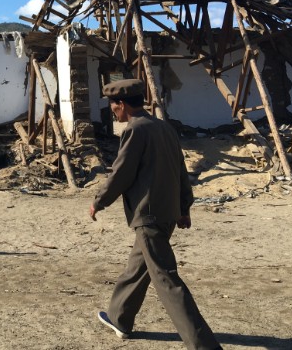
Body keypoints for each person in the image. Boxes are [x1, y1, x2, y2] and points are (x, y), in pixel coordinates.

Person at [90, 79, 221, 350]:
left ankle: (204, 345)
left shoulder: (136, 130)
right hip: (167, 213)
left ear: (122, 104)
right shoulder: (164, 127)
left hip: (148, 215)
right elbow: (180, 169)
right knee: (138, 267)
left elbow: (122, 172)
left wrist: (98, 202)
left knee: (167, 280)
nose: (113, 112)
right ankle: (119, 318)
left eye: (113, 106)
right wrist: (183, 207)